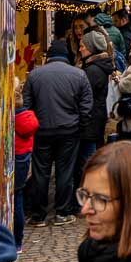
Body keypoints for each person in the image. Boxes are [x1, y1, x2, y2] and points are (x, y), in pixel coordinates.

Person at [23, 37, 93, 223]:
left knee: (41, 171)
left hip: (42, 130)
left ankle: (38, 214)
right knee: (65, 171)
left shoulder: (34, 75)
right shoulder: (78, 75)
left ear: (50, 56)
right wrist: (80, 125)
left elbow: (27, 104)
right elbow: (86, 105)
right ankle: (62, 212)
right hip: (69, 130)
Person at [78, 29, 115, 162]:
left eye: (82, 46)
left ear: (91, 48)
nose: (80, 49)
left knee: (87, 159)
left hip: (90, 121)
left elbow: (83, 95)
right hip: (95, 118)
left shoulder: (92, 70)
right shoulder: (95, 66)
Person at [13, 81, 37, 249]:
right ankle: (18, 241)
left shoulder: (13, 120)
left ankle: (15, 240)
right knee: (19, 197)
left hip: (16, 158)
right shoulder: (27, 117)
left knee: (15, 199)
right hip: (24, 159)